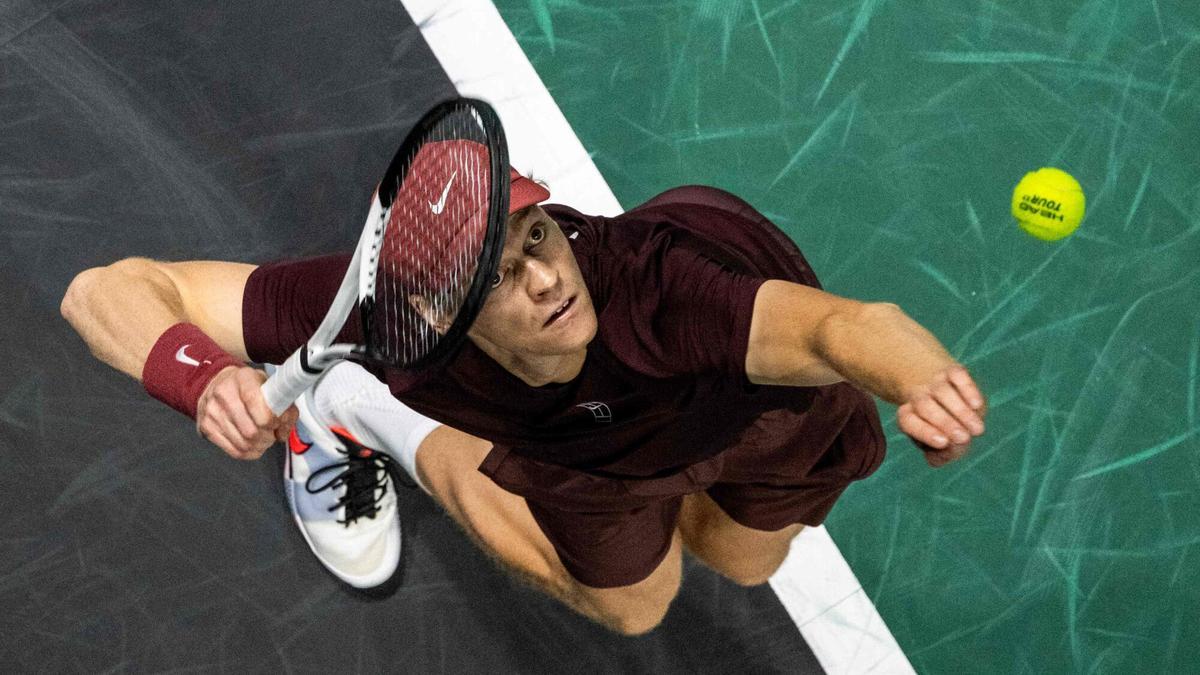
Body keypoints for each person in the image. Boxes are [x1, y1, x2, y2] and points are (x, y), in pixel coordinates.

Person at [61, 170, 987, 636]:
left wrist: (921, 381)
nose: (548, 276)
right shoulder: (386, 313)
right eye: (500, 272)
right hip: (582, 452)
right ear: (425, 310)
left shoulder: (661, 289)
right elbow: (107, 289)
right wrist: (202, 376)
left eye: (538, 233)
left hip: (756, 414)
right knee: (637, 609)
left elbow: (843, 328)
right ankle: (355, 406)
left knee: (737, 563)